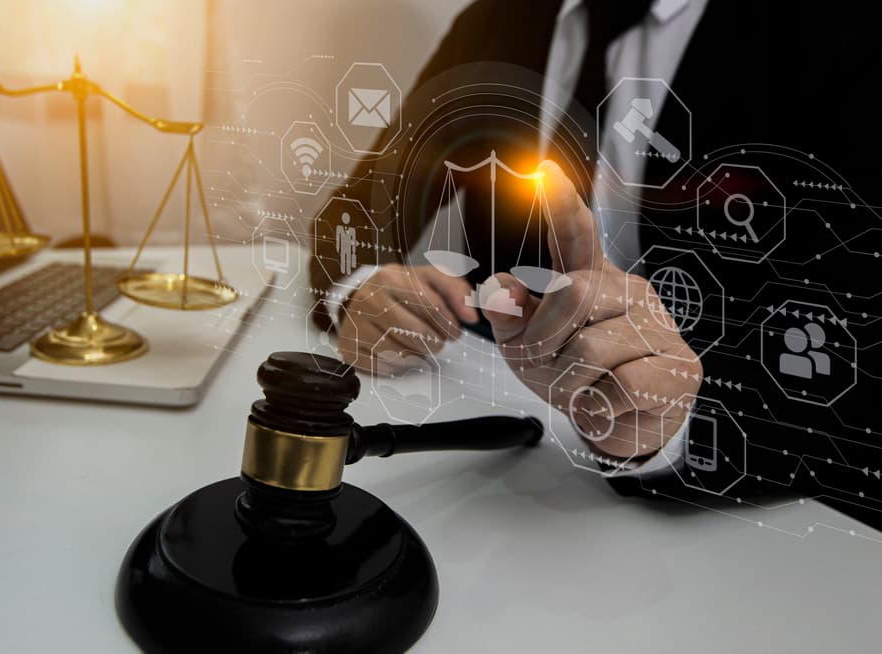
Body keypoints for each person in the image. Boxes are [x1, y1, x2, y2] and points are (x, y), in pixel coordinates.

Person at [309, 0, 882, 527]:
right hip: (485, 471)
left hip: (737, 522)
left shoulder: (842, 33)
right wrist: (361, 292)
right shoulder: (499, 16)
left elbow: (857, 357)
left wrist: (673, 426)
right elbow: (360, 209)